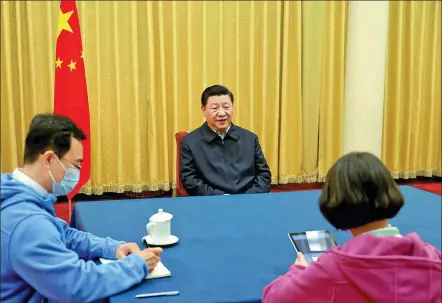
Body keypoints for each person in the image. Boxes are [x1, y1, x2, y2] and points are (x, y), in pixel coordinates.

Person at [1, 113, 163, 303]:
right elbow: (77, 284)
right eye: (75, 165)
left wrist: (113, 247)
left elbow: (63, 235)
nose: (77, 174)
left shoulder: (15, 190)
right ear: (49, 159)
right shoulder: (28, 224)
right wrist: (137, 265)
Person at [263, 152, 441, 303]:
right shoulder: (432, 258)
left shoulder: (333, 268)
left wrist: (298, 269)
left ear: (334, 202)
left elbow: (274, 297)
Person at [180, 84, 271, 196]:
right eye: (215, 108)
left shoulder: (250, 138)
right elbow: (189, 180)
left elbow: (264, 174)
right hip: (212, 202)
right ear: (203, 110)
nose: (222, 113)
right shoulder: (190, 142)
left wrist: (249, 197)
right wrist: (219, 197)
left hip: (249, 200)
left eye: (226, 107)